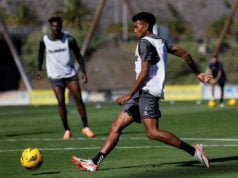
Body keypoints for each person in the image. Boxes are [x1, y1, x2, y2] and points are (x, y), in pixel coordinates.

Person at [71, 12, 211, 171]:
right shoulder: (161, 41)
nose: (134, 29)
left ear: (146, 26)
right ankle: (94, 162)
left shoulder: (145, 43)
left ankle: (195, 151)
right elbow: (185, 54)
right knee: (116, 126)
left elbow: (144, 72)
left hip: (148, 92)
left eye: (137, 26)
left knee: (153, 133)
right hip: (141, 93)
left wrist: (129, 94)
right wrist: (198, 73)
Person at [36, 16, 95, 140]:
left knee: (78, 99)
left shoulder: (69, 39)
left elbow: (78, 56)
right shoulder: (45, 40)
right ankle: (67, 130)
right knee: (61, 101)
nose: (56, 28)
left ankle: (85, 127)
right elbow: (40, 54)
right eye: (53, 26)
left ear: (61, 26)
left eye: (58, 25)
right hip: (55, 76)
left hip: (70, 74)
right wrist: (39, 69)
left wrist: (83, 71)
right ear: (50, 27)